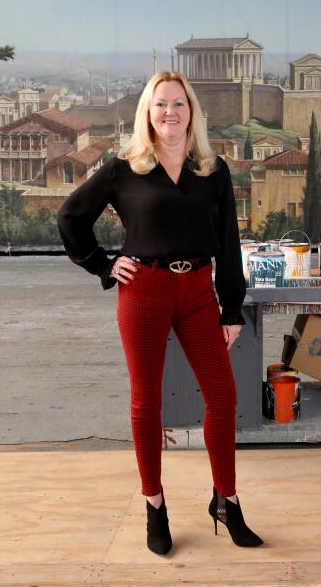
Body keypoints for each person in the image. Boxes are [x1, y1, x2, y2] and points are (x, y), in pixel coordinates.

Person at [57, 71, 263, 556]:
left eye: (179, 104)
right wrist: (103, 264)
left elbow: (230, 242)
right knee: (146, 402)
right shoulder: (123, 169)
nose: (170, 112)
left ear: (192, 112)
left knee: (222, 395)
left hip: (197, 292)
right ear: (146, 114)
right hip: (143, 291)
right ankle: (154, 504)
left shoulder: (213, 171)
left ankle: (226, 500)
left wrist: (231, 305)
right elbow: (70, 218)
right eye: (160, 104)